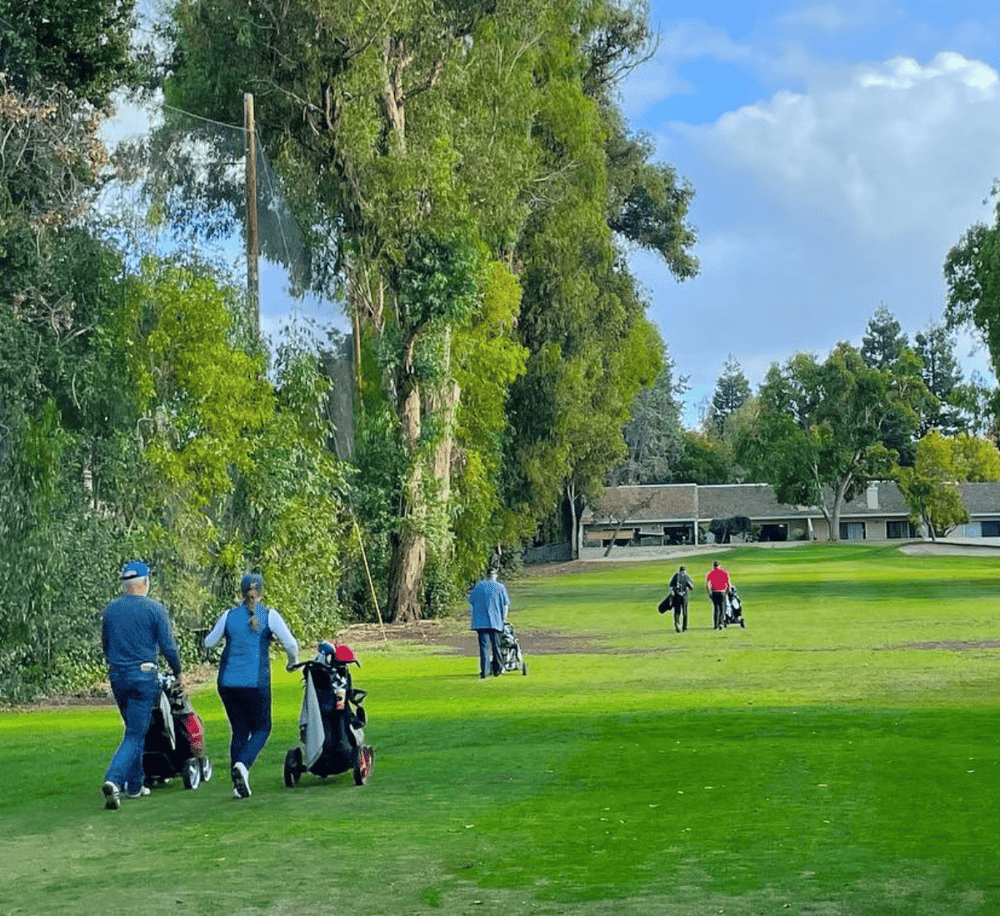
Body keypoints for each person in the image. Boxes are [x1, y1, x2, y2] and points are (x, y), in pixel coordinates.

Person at [203, 573, 298, 799]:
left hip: (227, 683)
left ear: (240, 592)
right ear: (262, 592)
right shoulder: (270, 615)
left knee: (239, 730)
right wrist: (292, 663)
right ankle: (243, 767)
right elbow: (291, 644)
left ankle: (238, 787)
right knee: (263, 728)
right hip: (255, 682)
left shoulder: (229, 615)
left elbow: (208, 643)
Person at [101, 560, 183, 810]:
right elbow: (168, 646)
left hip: (118, 676)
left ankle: (135, 786)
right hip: (144, 676)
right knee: (136, 733)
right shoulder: (154, 608)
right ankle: (114, 780)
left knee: (132, 730)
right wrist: (178, 671)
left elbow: (105, 644)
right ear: (145, 582)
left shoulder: (111, 610)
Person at [468, 565, 510, 678]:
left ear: (486, 576)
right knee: (497, 646)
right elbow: (505, 605)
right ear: (495, 575)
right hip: (496, 621)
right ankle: (498, 669)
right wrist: (504, 619)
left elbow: (471, 601)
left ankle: (485, 671)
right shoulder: (500, 587)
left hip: (480, 621)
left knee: (484, 647)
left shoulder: (478, 587)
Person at [705, 560, 732, 630]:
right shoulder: (724, 572)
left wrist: (709, 592)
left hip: (714, 592)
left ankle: (715, 625)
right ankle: (721, 623)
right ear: (720, 565)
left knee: (716, 609)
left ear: (713, 566)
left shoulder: (711, 573)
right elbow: (728, 583)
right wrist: (728, 591)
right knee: (723, 608)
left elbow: (707, 584)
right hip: (722, 592)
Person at [668, 564, 695, 633]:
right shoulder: (686, 576)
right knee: (685, 611)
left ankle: (677, 623)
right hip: (684, 596)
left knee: (677, 611)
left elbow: (671, 584)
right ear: (685, 571)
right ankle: (684, 627)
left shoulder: (676, 576)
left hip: (677, 595)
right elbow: (691, 586)